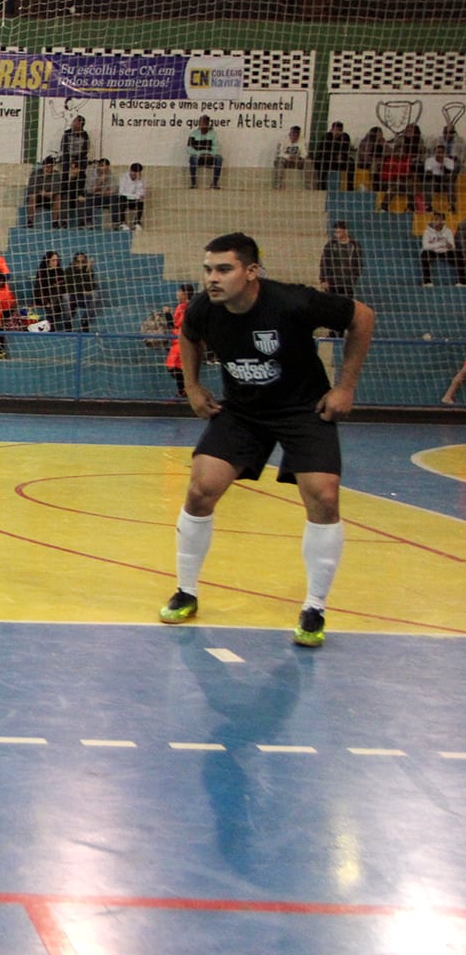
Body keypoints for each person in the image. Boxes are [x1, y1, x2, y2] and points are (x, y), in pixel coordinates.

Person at [159, 232, 374, 648]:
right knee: (201, 489)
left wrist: (345, 387)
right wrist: (192, 386)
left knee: (324, 496)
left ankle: (314, 607)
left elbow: (362, 317)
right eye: (208, 270)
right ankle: (186, 591)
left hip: (303, 409)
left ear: (251, 271)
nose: (212, 278)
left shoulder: (293, 302)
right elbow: (189, 333)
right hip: (242, 412)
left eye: (224, 269)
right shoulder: (204, 307)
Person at [419, 212, 466, 287]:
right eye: (433, 219)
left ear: (443, 221)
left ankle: (462, 282)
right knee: (424, 254)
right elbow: (425, 246)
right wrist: (442, 244)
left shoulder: (448, 231)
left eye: (437, 219)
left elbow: (452, 246)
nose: (434, 221)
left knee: (459, 255)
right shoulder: (427, 231)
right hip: (433, 252)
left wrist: (445, 246)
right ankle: (427, 282)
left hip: (445, 252)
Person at [318, 221, 363, 299]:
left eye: (339, 232)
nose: (337, 234)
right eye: (335, 232)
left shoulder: (355, 245)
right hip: (332, 282)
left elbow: (358, 263)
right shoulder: (331, 245)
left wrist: (353, 277)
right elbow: (324, 262)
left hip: (348, 283)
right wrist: (323, 280)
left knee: (346, 303)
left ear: (346, 231)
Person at [162, 282, 191, 397]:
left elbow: (174, 325)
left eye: (179, 291)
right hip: (177, 341)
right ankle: (183, 390)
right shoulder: (182, 306)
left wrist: (167, 314)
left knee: (173, 366)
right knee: (176, 367)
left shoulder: (185, 307)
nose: (177, 293)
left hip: (181, 341)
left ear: (185, 294)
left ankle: (185, 389)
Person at [62, 251, 97, 333]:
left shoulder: (89, 271)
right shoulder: (68, 271)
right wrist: (82, 291)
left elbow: (91, 286)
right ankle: (67, 322)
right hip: (72, 297)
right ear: (74, 262)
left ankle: (85, 321)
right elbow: (70, 286)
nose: (80, 264)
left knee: (95, 295)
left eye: (83, 262)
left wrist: (88, 270)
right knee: (65, 296)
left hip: (83, 298)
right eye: (78, 262)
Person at [31, 250, 66, 330]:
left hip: (57, 297)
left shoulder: (60, 271)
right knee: (54, 299)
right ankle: (49, 324)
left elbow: (63, 286)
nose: (55, 263)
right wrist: (45, 302)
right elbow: (39, 289)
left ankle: (52, 324)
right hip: (44, 297)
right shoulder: (42, 272)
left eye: (57, 260)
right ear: (48, 261)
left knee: (58, 295)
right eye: (53, 260)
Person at [24, 156, 61, 228]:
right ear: (43, 166)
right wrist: (40, 192)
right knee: (32, 197)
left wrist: (50, 193)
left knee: (58, 198)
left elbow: (57, 188)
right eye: (47, 167)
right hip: (38, 196)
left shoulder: (56, 174)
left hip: (49, 197)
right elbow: (31, 188)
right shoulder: (35, 173)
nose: (49, 169)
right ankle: (30, 222)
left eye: (51, 167)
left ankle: (55, 222)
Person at [187, 116, 223, 189]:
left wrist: (211, 154)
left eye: (204, 123)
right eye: (201, 123)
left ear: (208, 124)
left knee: (219, 158)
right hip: (198, 157)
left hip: (210, 157)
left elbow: (217, 147)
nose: (202, 125)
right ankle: (193, 183)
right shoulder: (193, 134)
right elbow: (189, 148)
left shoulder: (213, 134)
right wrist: (199, 154)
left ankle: (214, 183)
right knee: (192, 158)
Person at [116, 162, 146, 231]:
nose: (134, 173)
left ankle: (137, 223)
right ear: (130, 170)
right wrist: (134, 196)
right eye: (133, 171)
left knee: (141, 201)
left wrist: (139, 181)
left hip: (133, 201)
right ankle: (122, 223)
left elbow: (141, 193)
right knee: (122, 198)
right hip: (125, 199)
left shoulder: (141, 179)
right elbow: (121, 192)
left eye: (136, 172)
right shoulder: (124, 177)